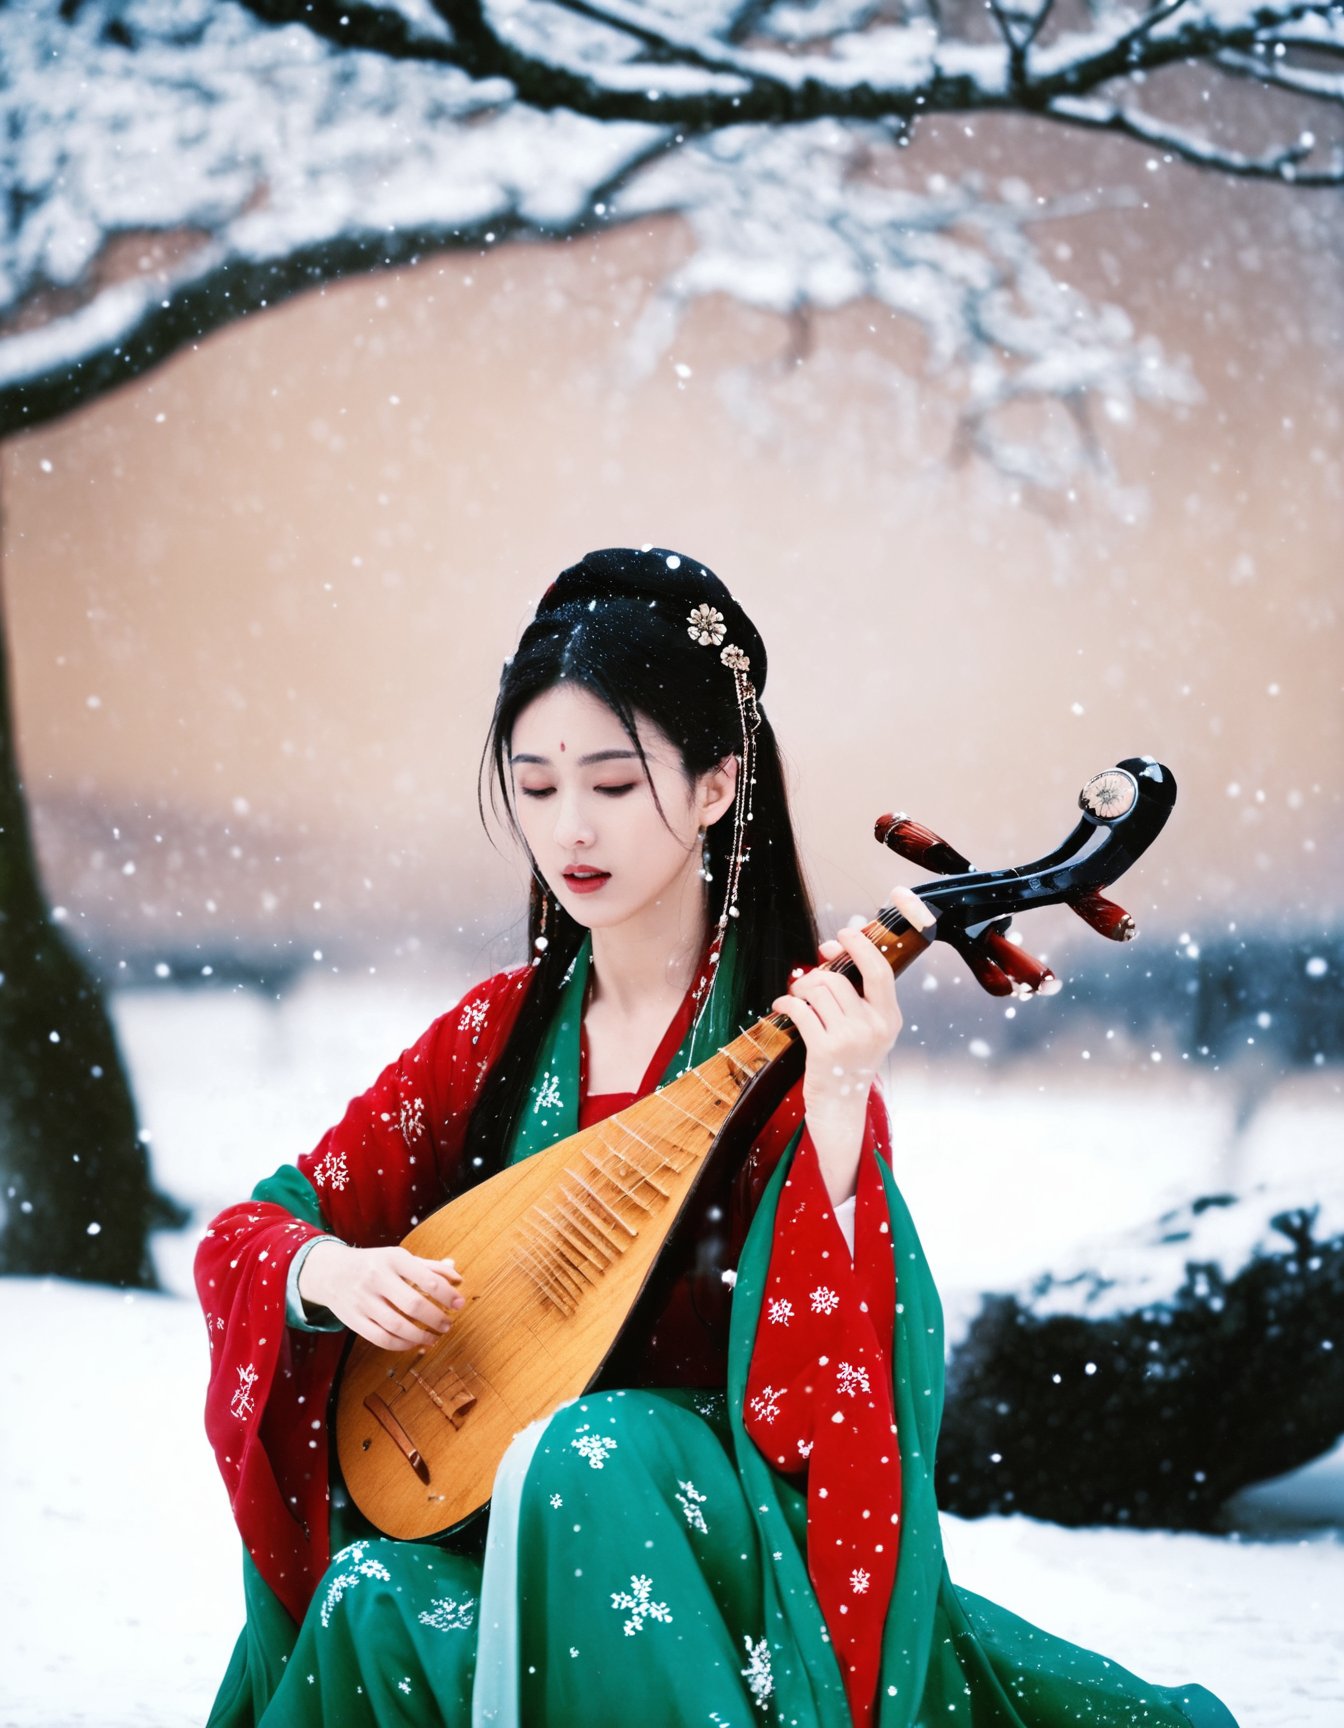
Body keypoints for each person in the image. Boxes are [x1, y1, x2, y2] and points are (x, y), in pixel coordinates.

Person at [196, 547, 1238, 1728]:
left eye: (612, 783)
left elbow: (841, 1390)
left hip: (707, 1549)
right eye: (535, 788)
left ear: (714, 786)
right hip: (479, 1498)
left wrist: (840, 1107)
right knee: (371, 1593)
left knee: (589, 1455)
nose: (569, 827)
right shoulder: (493, 1041)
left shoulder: (793, 1052)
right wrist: (325, 1270)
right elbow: (252, 1231)